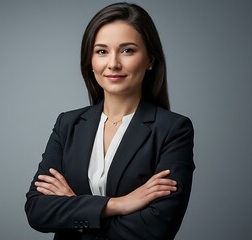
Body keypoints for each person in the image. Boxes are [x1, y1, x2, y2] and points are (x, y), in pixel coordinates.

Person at [24, 2, 195, 240]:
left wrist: (76, 211)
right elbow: (37, 211)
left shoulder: (172, 129)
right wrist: (118, 205)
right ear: (90, 61)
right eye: (101, 51)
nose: (113, 63)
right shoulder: (68, 124)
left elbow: (155, 230)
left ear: (150, 60)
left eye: (127, 50)